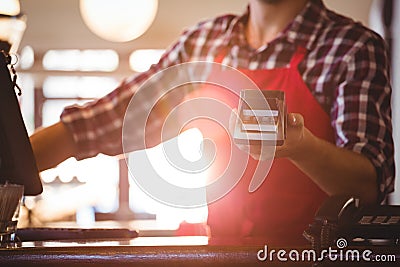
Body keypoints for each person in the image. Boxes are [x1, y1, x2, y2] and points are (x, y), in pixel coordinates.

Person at [31, 0, 394, 245]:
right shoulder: (203, 42)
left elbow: (368, 186)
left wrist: (301, 147)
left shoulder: (352, 47)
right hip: (220, 254)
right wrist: (15, 161)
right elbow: (110, 119)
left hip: (316, 259)